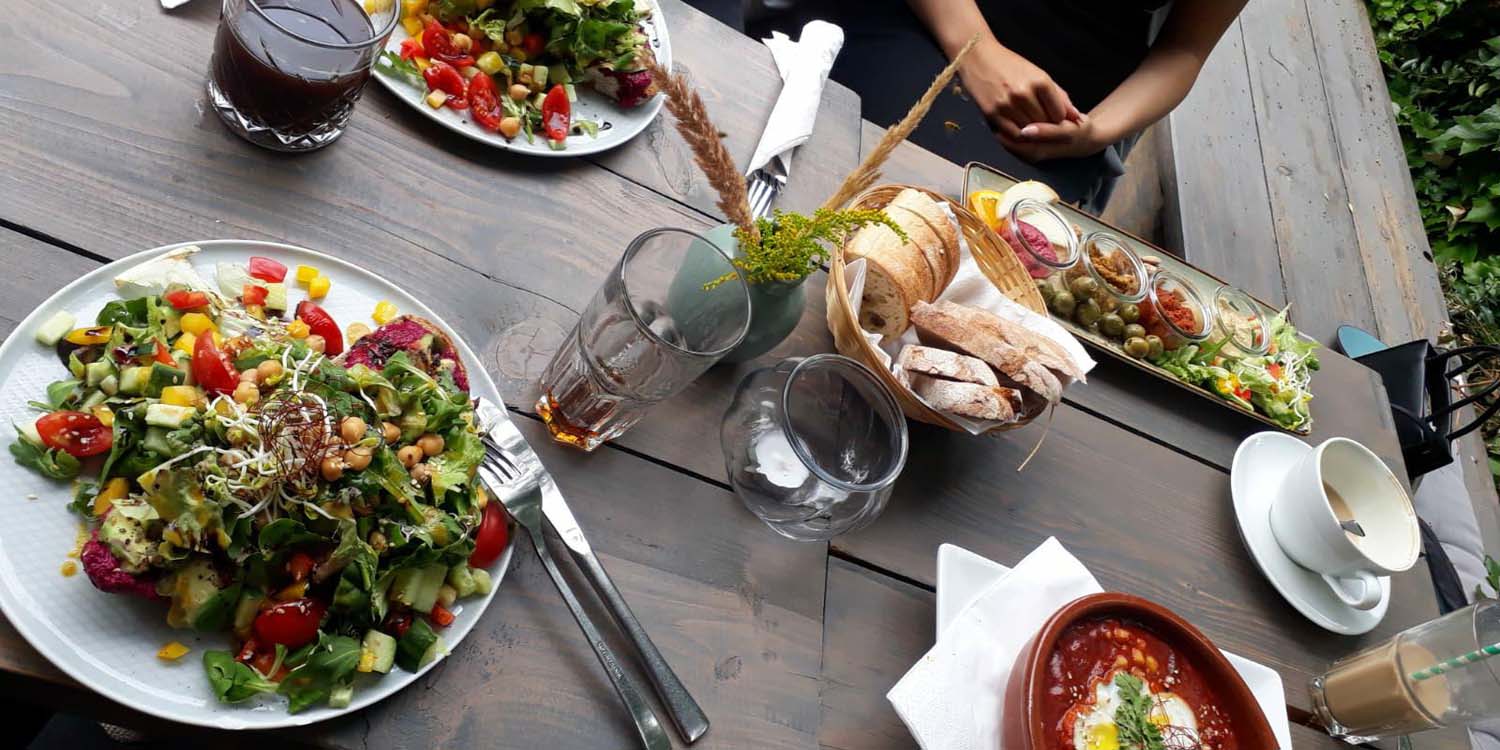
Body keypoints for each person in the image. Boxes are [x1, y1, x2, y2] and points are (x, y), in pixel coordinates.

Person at [702, 0, 1248, 212]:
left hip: (1056, 105)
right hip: (929, 19)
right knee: (786, 162)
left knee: (944, 251)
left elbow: (1184, 51)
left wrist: (1097, 130)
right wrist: (980, 51)